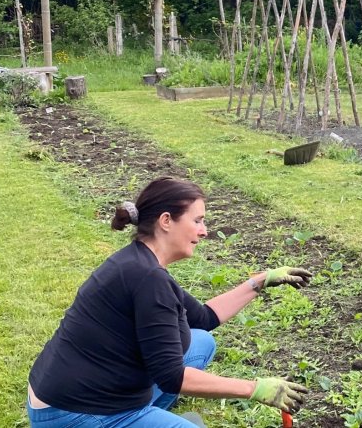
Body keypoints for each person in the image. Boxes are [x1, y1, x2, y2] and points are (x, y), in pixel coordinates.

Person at [27, 176, 313, 427]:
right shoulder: (148, 279)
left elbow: (203, 318)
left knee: (201, 341)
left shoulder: (140, 261)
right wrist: (255, 388)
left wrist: (260, 281)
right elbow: (171, 378)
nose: (204, 231)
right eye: (197, 220)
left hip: (83, 388)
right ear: (166, 221)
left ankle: (149, 417)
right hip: (76, 412)